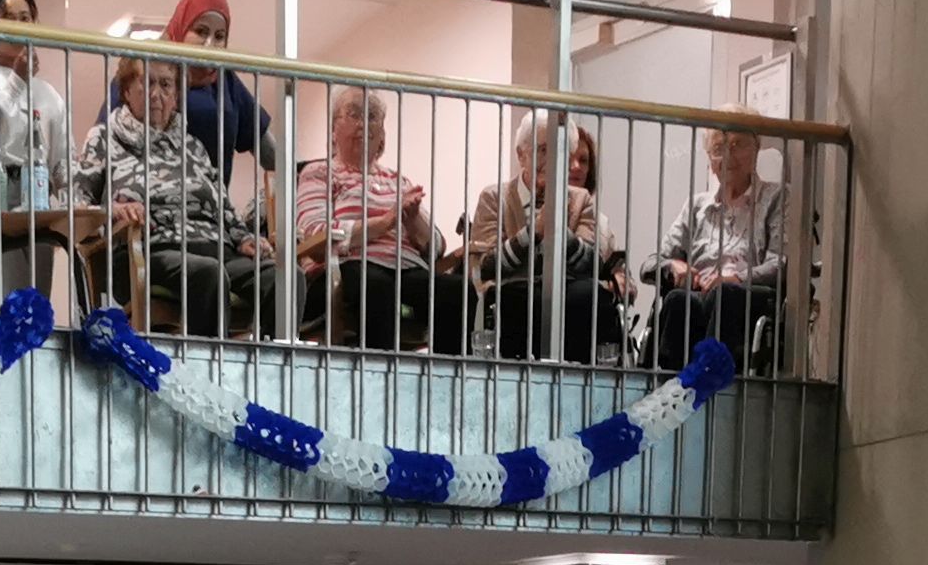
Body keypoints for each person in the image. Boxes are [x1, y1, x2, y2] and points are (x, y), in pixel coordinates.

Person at [78, 53, 269, 338]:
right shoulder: (104, 138)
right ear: (126, 91)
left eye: (166, 85)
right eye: (147, 83)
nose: (156, 94)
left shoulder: (193, 146)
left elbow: (223, 206)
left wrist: (243, 237)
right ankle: (205, 365)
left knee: (282, 277)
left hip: (214, 247)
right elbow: (78, 202)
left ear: (177, 97)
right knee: (209, 273)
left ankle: (271, 364)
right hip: (149, 249)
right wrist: (113, 210)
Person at [292, 85, 462, 351]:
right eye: (354, 114)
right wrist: (384, 223)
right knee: (376, 285)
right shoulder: (320, 172)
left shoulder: (398, 181)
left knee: (457, 291)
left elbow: (437, 247)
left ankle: (444, 374)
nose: (364, 124)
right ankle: (377, 374)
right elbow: (314, 232)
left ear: (382, 133)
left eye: (372, 117)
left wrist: (412, 219)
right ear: (333, 129)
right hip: (349, 265)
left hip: (406, 267)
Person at [465, 116, 622, 362]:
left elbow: (592, 264)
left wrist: (561, 233)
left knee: (589, 296)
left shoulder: (580, 199)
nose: (551, 161)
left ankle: (577, 378)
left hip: (567, 295)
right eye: (542, 150)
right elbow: (484, 266)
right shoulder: (494, 197)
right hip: (514, 294)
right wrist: (533, 233)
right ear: (521, 155)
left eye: (559, 152)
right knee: (516, 300)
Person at [647, 111, 790, 372]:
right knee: (678, 300)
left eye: (737, 144)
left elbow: (780, 264)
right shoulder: (696, 206)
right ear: (709, 159)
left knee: (725, 295)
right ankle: (671, 387)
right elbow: (650, 264)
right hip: (700, 296)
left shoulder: (776, 197)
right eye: (718, 148)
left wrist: (735, 278)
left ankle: (711, 381)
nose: (728, 156)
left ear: (756, 147)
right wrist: (672, 266)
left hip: (745, 298)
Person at [0, 0, 78, 310]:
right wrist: (16, 80)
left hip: (39, 201)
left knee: (36, 306)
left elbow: (63, 161)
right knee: (6, 306)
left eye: (25, 19)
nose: (17, 26)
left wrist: (75, 198)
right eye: (8, 18)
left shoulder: (49, 93)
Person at [145, 0, 272, 177]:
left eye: (219, 36)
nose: (209, 44)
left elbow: (269, 152)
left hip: (211, 194)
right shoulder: (146, 69)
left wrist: (307, 172)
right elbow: (106, 140)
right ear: (182, 28)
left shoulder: (226, 81)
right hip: (153, 192)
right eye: (201, 31)